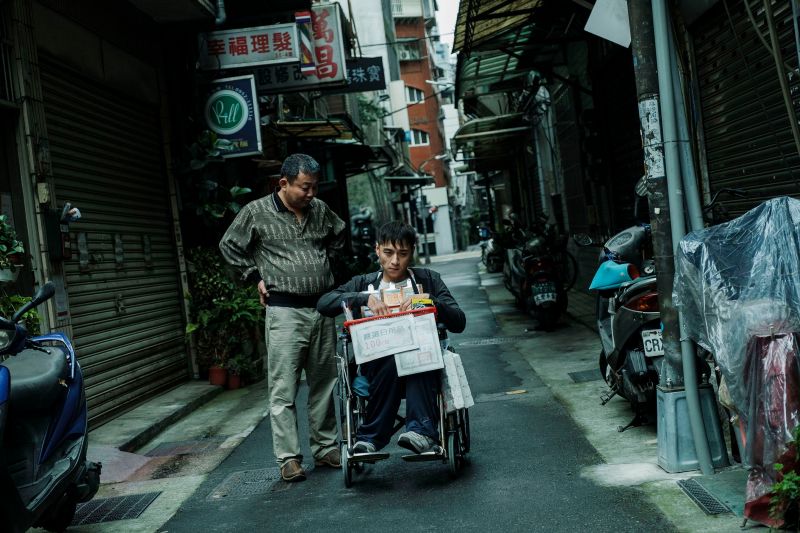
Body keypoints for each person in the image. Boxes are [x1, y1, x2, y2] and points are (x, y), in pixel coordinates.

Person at [219, 153, 345, 482]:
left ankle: (326, 446)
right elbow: (229, 245)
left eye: (315, 187)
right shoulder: (256, 212)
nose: (311, 194)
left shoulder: (319, 210)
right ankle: (289, 458)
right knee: (283, 389)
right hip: (284, 311)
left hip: (321, 308)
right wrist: (253, 277)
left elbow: (339, 235)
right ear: (284, 183)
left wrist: (324, 263)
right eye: (305, 188)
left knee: (324, 383)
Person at [317, 221, 466, 454]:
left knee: (419, 354)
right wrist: (362, 299)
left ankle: (420, 431)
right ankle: (372, 437)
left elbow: (459, 321)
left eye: (403, 254)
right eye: (388, 253)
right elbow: (324, 304)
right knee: (391, 356)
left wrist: (431, 302)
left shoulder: (428, 280)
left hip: (423, 362)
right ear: (377, 250)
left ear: (411, 253)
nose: (395, 261)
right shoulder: (363, 284)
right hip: (378, 366)